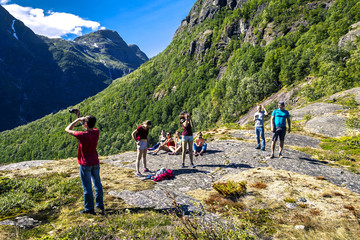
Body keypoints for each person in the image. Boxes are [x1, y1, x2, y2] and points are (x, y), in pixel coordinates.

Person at [65, 114, 104, 215]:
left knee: (87, 187)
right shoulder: (96, 132)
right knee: (97, 185)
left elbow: (67, 129)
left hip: (85, 163)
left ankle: (89, 209)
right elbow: (91, 127)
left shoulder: (81, 135)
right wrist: (85, 123)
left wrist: (77, 120)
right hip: (95, 161)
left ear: (85, 124)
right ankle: (100, 207)